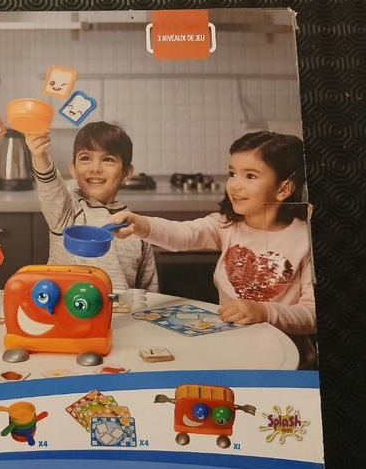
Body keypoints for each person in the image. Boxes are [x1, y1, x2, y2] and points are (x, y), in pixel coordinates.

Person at [110, 131, 317, 369]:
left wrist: (264, 311)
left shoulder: (306, 239)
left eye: (250, 176)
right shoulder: (225, 225)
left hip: (288, 360)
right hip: (232, 350)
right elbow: (181, 234)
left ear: (284, 188)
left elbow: (313, 314)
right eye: (232, 173)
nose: (234, 185)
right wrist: (138, 222)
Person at [24, 121, 158, 292]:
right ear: (73, 169)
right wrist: (40, 156)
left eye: (108, 159)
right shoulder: (67, 211)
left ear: (127, 173)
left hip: (120, 310)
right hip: (64, 308)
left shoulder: (137, 227)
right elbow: (50, 186)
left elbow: (150, 294)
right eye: (86, 158)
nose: (95, 168)